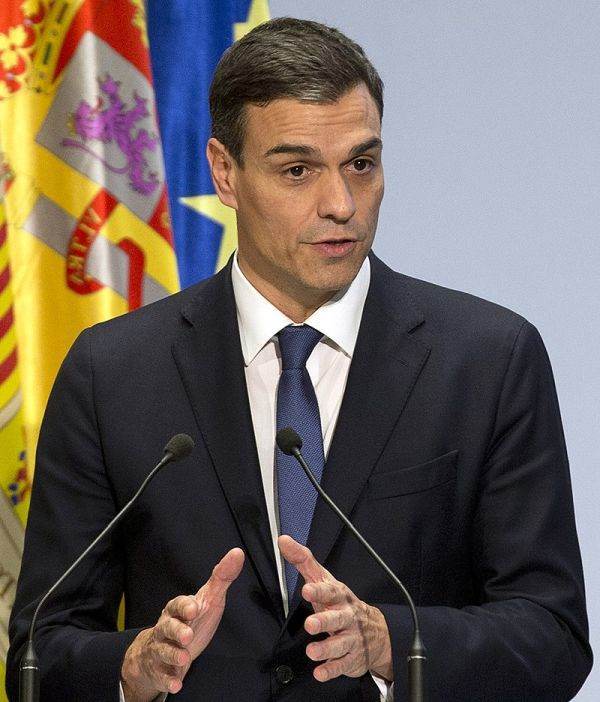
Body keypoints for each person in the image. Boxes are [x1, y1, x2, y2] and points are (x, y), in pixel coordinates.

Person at [7, 17, 592, 702]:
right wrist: (131, 667)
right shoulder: (112, 373)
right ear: (225, 173)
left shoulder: (488, 361)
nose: (341, 205)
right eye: (297, 171)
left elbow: (553, 637)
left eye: (361, 165)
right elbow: (39, 652)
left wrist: (389, 641)